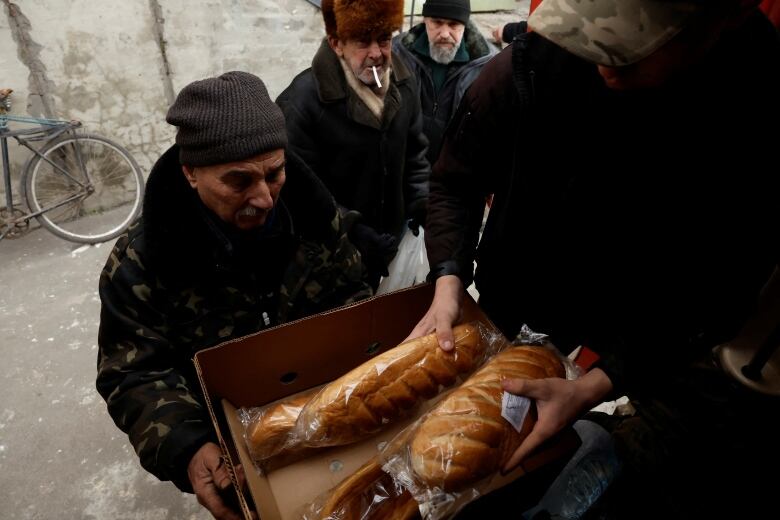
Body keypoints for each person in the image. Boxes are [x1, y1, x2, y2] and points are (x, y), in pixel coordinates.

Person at [408, 0, 780, 517]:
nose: (603, 63)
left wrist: (594, 386)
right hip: (514, 286)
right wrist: (449, 279)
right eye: (591, 42)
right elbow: (454, 179)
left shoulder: (756, 107)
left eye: (627, 51)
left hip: (638, 318)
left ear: (717, 23)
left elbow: (716, 288)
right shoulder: (538, 57)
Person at [96, 71, 371, 520]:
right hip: (236, 458)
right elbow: (134, 374)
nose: (263, 198)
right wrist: (187, 445)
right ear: (191, 173)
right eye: (238, 182)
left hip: (334, 425)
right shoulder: (143, 264)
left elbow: (353, 294)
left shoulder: (318, 221)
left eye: (274, 173)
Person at [276, 0, 430, 290]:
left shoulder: (405, 84)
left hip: (393, 245)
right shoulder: (303, 102)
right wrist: (353, 231)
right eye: (362, 41)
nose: (376, 54)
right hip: (332, 258)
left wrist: (422, 204)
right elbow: (300, 189)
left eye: (384, 39)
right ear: (336, 43)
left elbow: (416, 156)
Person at [392, 0, 497, 166]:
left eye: (453, 25)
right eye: (437, 22)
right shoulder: (398, 52)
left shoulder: (488, 65)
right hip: (405, 165)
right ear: (425, 20)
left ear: (465, 24)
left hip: (454, 174)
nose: (445, 33)